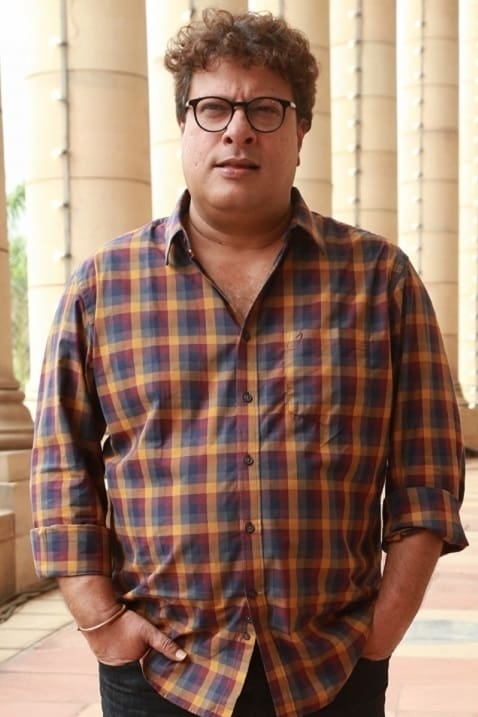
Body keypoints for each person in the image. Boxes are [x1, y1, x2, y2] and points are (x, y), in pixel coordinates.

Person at [30, 8, 468, 717]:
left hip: (332, 668)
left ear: (301, 133)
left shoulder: (379, 280)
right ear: (184, 125)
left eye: (266, 109)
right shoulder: (103, 286)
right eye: (214, 108)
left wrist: (382, 632)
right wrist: (102, 623)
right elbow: (60, 468)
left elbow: (428, 474)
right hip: (160, 671)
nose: (238, 130)